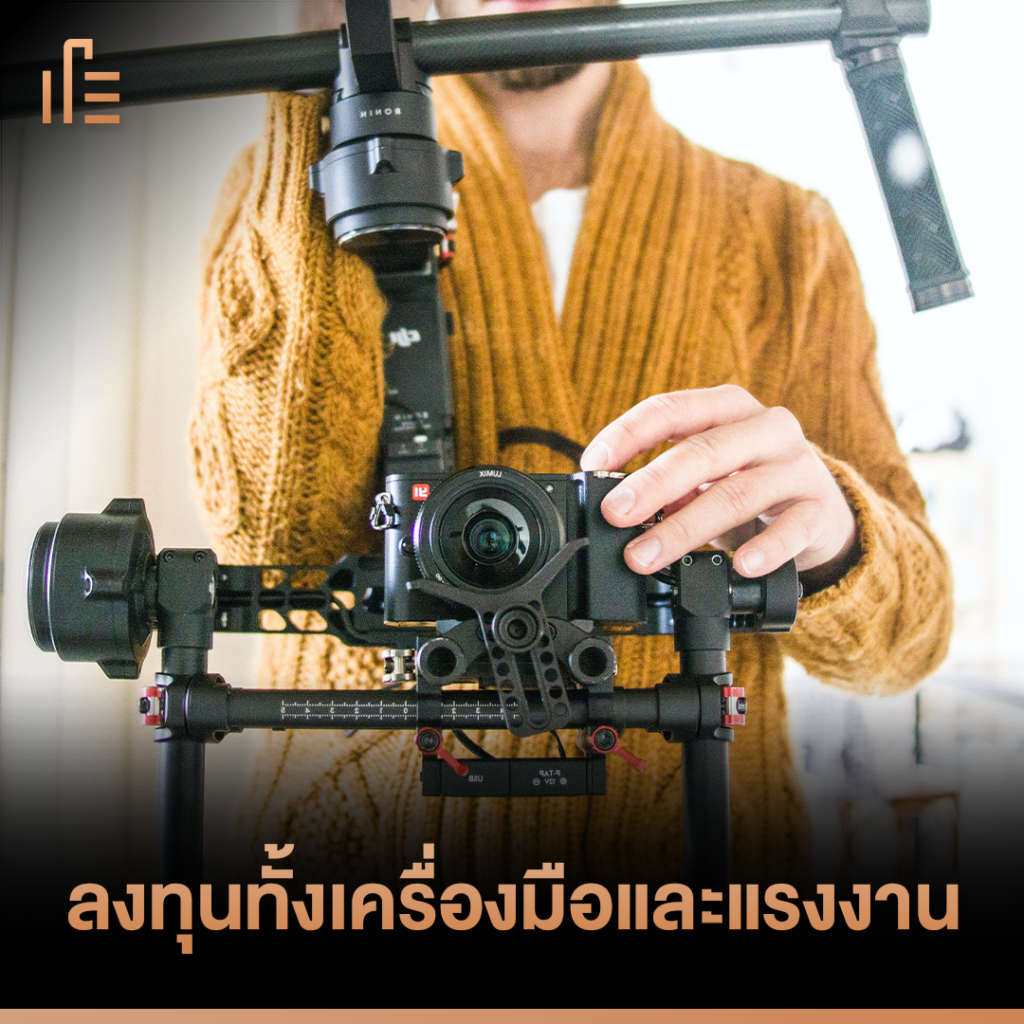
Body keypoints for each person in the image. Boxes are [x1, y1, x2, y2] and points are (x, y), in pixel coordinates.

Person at [189, 0, 953, 885]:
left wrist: (835, 542)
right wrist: (316, 107)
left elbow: (910, 641)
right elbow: (267, 534)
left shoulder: (786, 234)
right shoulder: (292, 189)